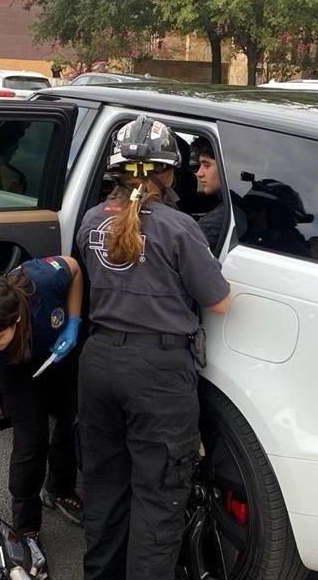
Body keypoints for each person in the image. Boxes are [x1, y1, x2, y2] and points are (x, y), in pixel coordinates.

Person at [76, 116, 232, 580]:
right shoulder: (180, 228)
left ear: (118, 172)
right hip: (157, 375)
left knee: (105, 489)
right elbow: (220, 302)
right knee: (158, 497)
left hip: (99, 363)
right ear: (169, 173)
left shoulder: (90, 221)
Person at [0, 256, 85, 543]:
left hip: (57, 351)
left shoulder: (43, 279)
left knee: (71, 420)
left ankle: (60, 489)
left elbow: (75, 269)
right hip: (16, 368)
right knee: (31, 441)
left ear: (15, 319)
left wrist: (73, 321)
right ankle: (27, 526)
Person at [192, 136, 249, 248]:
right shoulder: (234, 204)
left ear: (225, 167)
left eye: (206, 165)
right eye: (200, 165)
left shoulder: (222, 216)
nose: (199, 173)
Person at [240, 178, 314, 257]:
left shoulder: (291, 252)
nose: (251, 216)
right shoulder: (252, 241)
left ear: (277, 216)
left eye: (257, 210)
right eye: (250, 210)